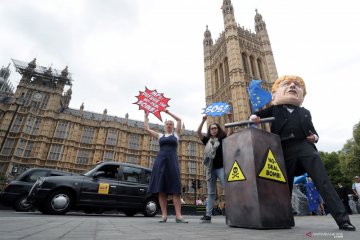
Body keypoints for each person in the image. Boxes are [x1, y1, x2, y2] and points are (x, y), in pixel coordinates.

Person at [250, 75, 356, 231]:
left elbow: (313, 131)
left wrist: (315, 137)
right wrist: (253, 117)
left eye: (297, 85)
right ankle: (281, 219)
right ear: (274, 94)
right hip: (284, 148)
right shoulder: (273, 109)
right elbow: (253, 117)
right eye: (287, 83)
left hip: (305, 146)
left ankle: (343, 220)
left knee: (323, 182)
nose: (293, 86)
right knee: (283, 186)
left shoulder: (305, 112)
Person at [144, 109, 188, 223]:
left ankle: (178, 216)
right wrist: (146, 117)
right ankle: (164, 215)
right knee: (161, 189)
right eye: (167, 124)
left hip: (172, 162)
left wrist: (168, 112)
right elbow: (147, 129)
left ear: (173, 127)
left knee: (176, 190)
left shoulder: (176, 135)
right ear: (164, 126)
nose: (169, 125)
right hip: (161, 162)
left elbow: (179, 120)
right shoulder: (160, 136)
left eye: (171, 124)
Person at [197, 114, 233, 223]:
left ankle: (232, 211)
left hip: (221, 167)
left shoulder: (222, 139)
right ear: (210, 130)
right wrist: (203, 121)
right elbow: (198, 133)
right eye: (212, 128)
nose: (213, 130)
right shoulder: (207, 140)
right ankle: (208, 214)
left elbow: (230, 131)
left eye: (215, 128)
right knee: (211, 193)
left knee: (227, 189)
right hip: (210, 169)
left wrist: (230, 119)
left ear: (218, 129)